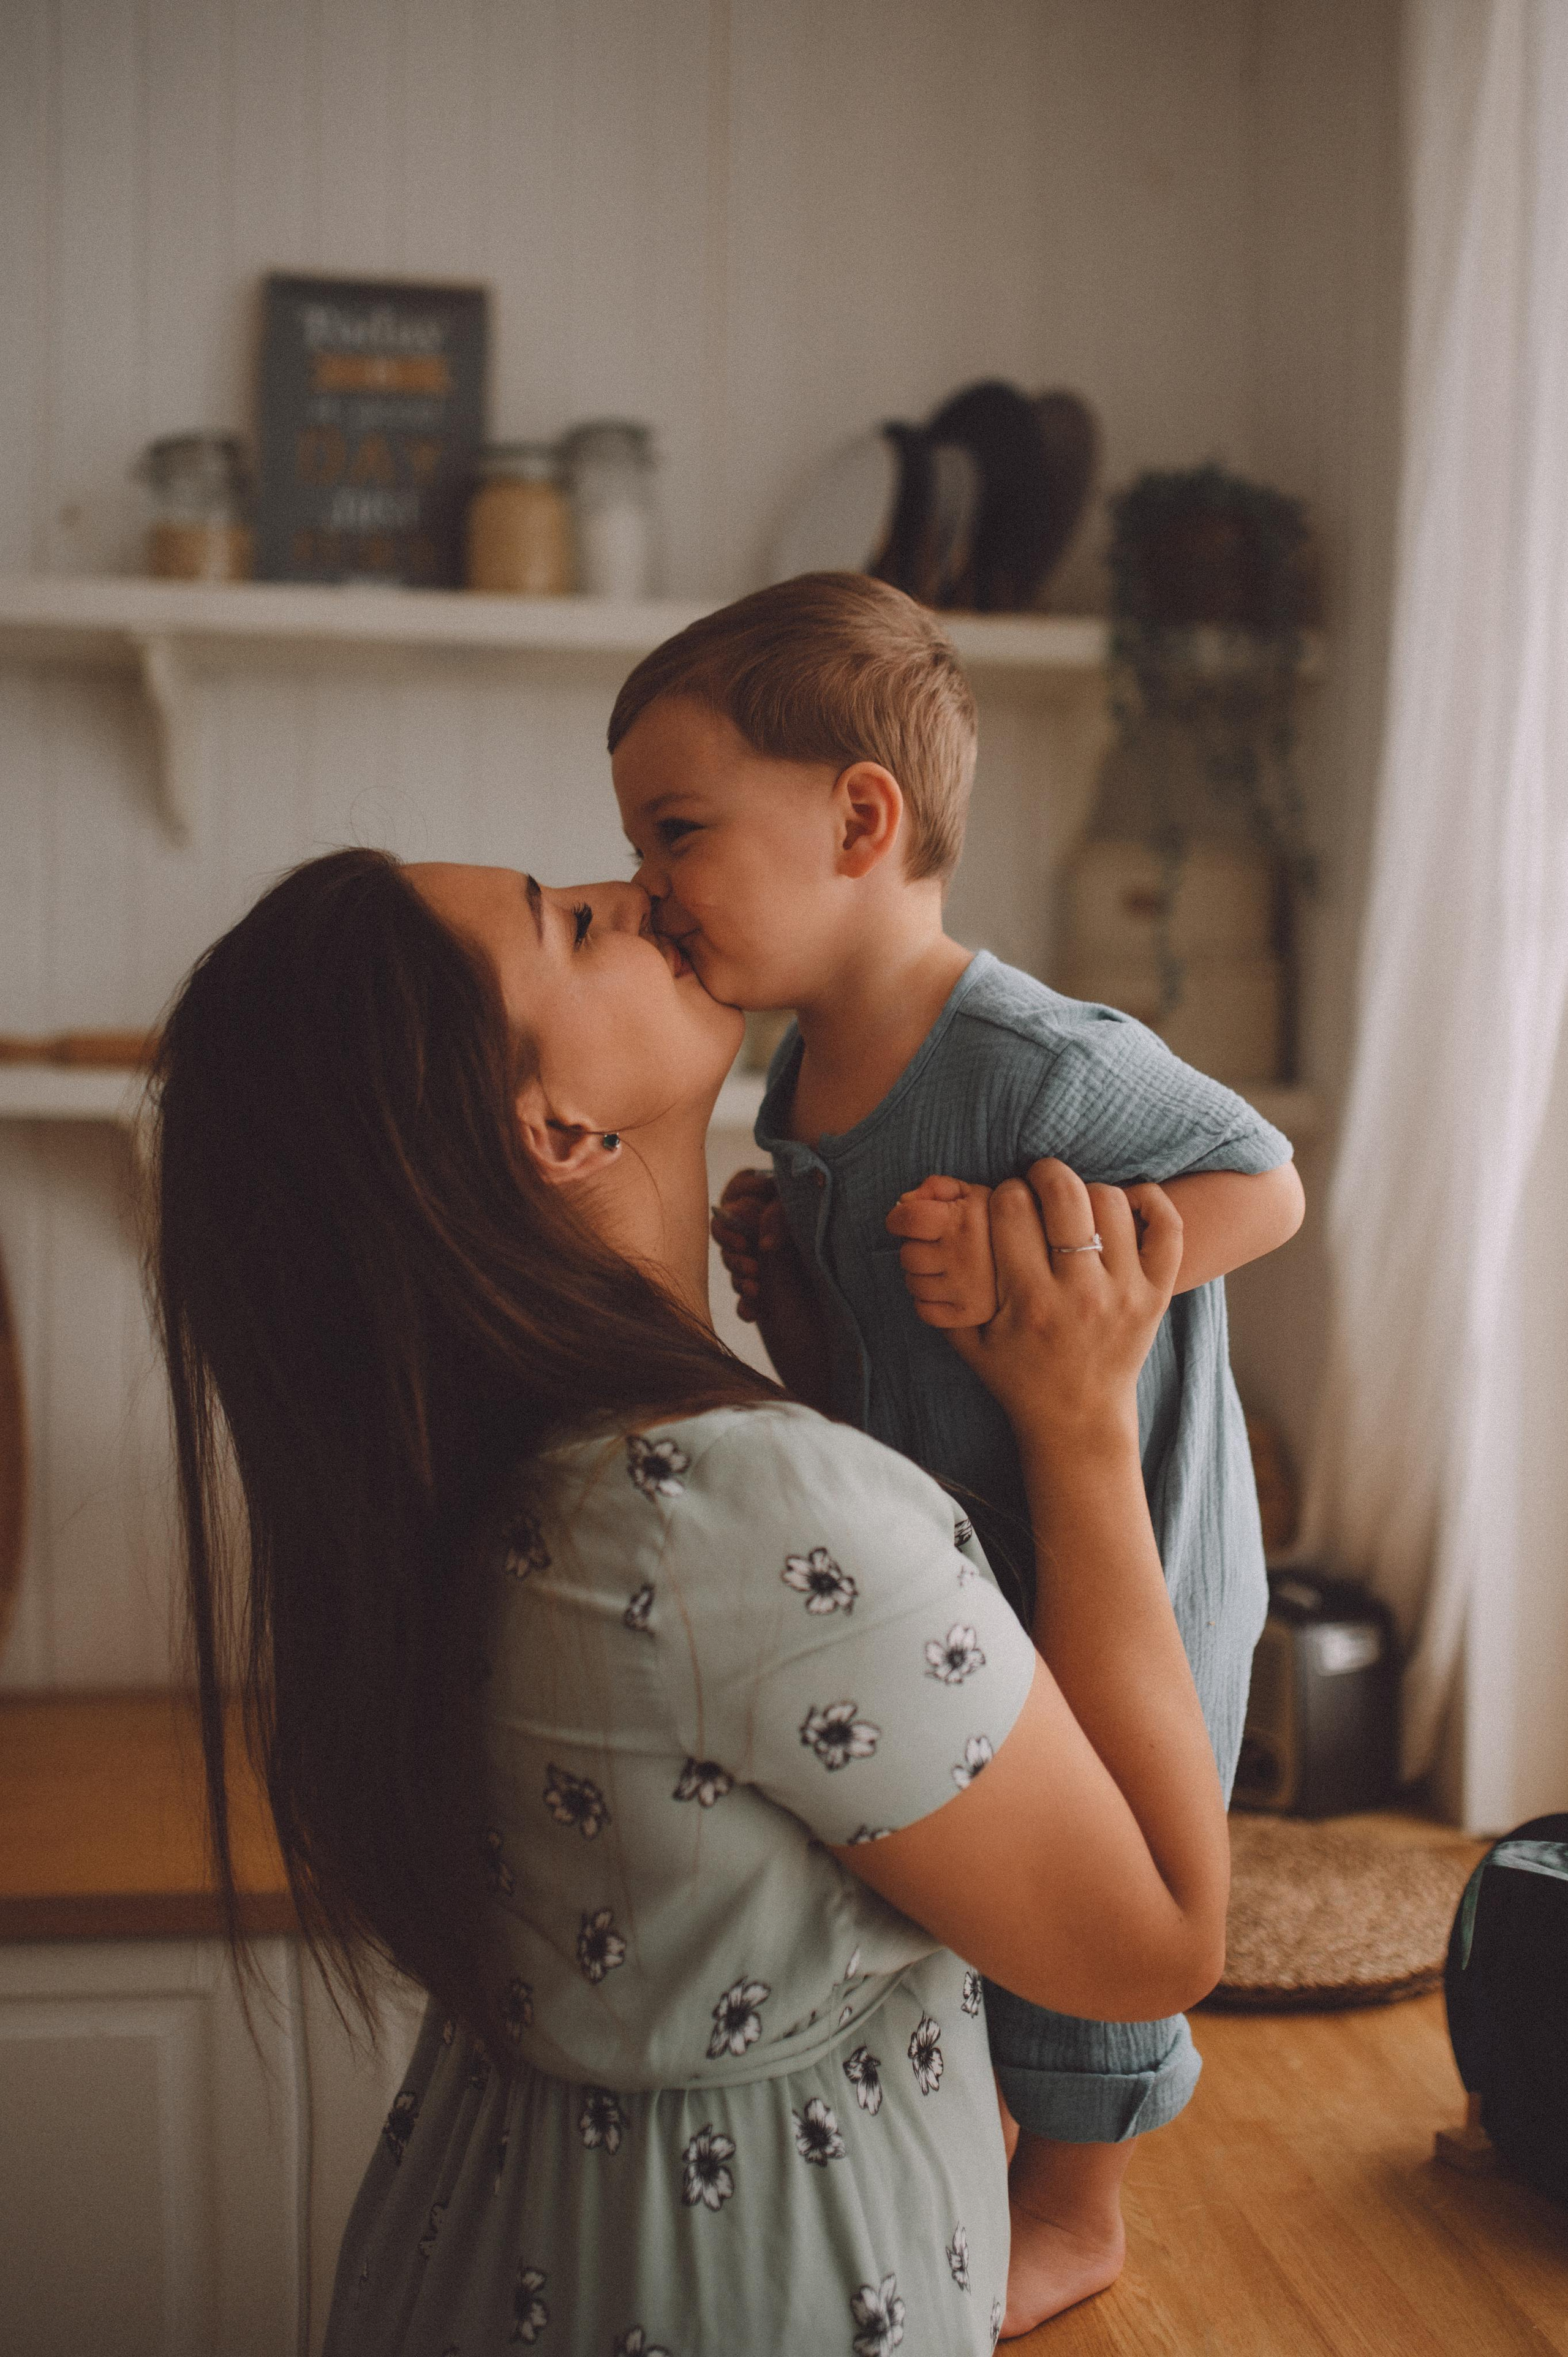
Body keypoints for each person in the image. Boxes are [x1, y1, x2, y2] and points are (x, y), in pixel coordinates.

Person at [151, 846, 1229, 2355]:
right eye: (572, 924)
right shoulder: (731, 1510)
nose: (638, 892)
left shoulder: (471, 1473)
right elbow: (1157, 1934)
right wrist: (1081, 1423)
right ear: (554, 1126)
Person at [610, 573, 1305, 2332]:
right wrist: (791, 1301)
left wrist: (1062, 1253)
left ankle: (1079, 2201)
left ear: (860, 817)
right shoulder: (796, 1086)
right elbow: (870, 1382)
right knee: (968, 1861)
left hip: (1113, 1557)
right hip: (955, 1555)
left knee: (1103, 1896)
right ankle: (981, 2129)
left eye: (677, 830)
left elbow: (1267, 1181)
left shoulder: (1030, 1060)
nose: (648, 883)